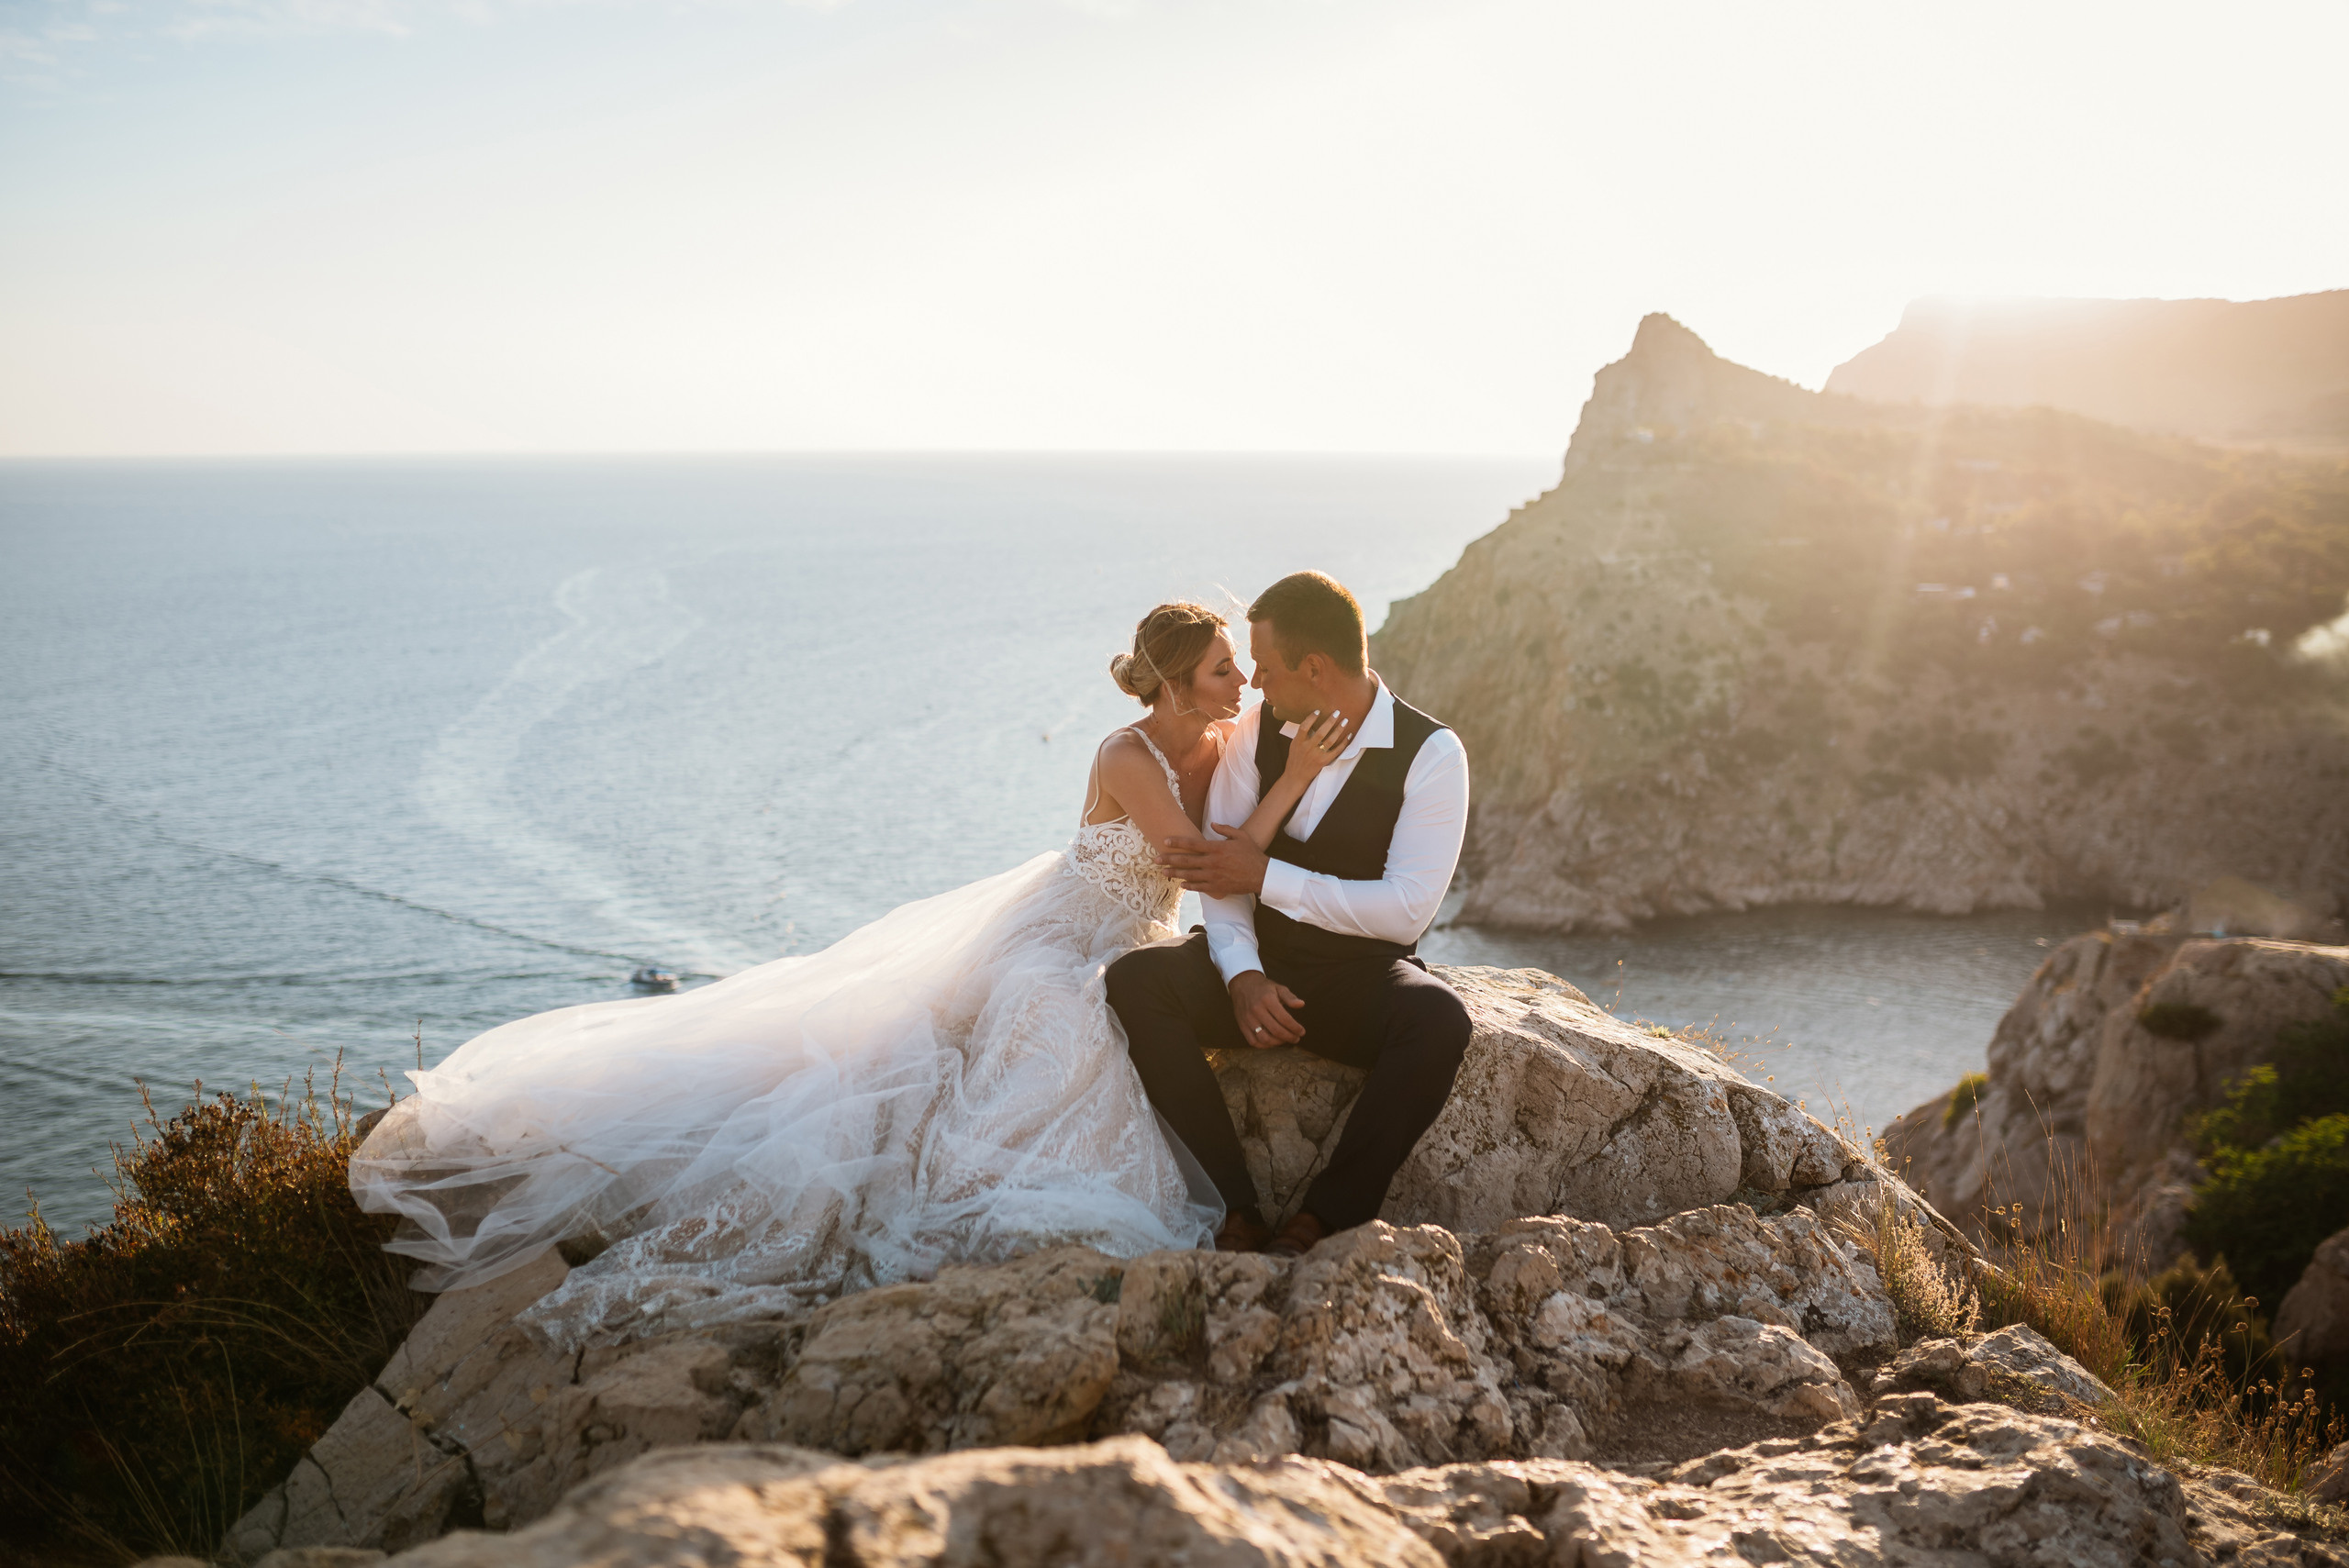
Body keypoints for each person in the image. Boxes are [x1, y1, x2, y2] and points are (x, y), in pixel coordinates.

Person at [349, 600, 1353, 1349]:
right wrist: (1295, 784)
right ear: (1178, 681)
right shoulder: (1126, 753)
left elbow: (1240, 829)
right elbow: (1189, 858)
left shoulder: (1226, 739)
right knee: (1051, 1021)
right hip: (1061, 933)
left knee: (1112, 1006)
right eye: (1228, 669)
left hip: (1138, 938)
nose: (1245, 683)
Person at [1108, 571, 1472, 1259]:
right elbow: (1220, 869)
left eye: (1268, 669)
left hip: (1357, 978)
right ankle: (1234, 1210)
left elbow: (1404, 912)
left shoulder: (1432, 755)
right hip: (1259, 968)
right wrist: (1242, 975)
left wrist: (1269, 874)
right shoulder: (1256, 731)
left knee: (1439, 1020)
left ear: (1315, 668)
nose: (1256, 684)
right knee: (1136, 982)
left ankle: (1324, 1220)